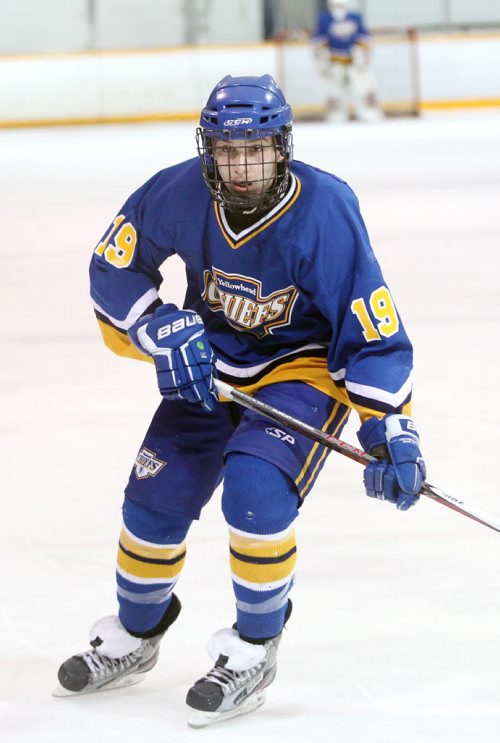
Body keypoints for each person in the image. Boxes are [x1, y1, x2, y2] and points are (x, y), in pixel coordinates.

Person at [54, 74, 425, 727]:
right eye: (228, 150)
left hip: (301, 373)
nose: (242, 166)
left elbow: (370, 329)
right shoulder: (178, 191)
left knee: (255, 493)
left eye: (256, 149)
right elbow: (112, 265)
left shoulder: (327, 209)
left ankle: (254, 645)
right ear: (208, 149)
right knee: (152, 499)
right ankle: (136, 633)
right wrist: (154, 326)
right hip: (212, 365)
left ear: (282, 146)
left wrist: (389, 427)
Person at [313, 0, 382, 122]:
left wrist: (361, 53)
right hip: (334, 62)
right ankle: (336, 114)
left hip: (354, 61)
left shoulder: (355, 17)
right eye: (336, 5)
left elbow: (364, 38)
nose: (338, 8)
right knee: (333, 91)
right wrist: (323, 58)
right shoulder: (324, 19)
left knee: (365, 87)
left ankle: (369, 111)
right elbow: (318, 41)